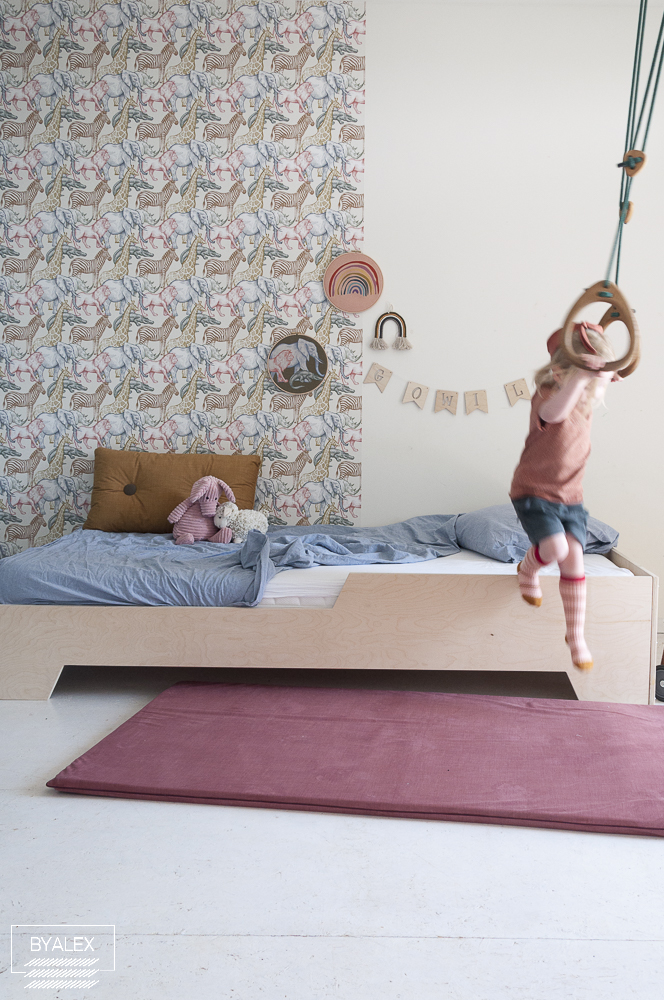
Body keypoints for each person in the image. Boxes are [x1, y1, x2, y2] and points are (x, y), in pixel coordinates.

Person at [510, 321, 621, 671]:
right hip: (534, 492)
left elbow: (601, 382)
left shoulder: (587, 396)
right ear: (562, 367)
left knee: (574, 558)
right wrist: (583, 377)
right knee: (556, 549)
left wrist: (604, 374)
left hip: (571, 497)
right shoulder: (547, 394)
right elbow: (554, 413)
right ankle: (527, 570)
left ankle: (576, 635)